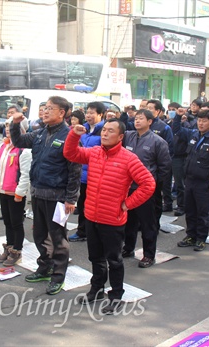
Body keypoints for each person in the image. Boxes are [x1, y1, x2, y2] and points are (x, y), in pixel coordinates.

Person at [64, 118, 155, 314]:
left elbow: (149, 184)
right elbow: (70, 153)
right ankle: (96, 289)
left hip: (112, 219)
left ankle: (116, 295)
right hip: (92, 216)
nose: (104, 134)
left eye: (110, 131)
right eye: (103, 130)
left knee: (114, 260)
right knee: (95, 257)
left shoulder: (128, 158)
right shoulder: (95, 152)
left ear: (120, 136)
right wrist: (74, 134)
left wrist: (128, 204)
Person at [10, 96, 81, 295]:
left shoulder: (69, 136)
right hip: (38, 193)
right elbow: (18, 141)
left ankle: (58, 276)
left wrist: (71, 198)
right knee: (40, 235)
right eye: (44, 108)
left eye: (50, 108)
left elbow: (75, 169)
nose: (45, 111)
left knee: (58, 238)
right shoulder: (40, 133)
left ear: (62, 113)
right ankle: (45, 267)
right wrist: (15, 125)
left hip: (58, 196)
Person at [0, 118, 32, 266]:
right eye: (7, 126)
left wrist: (19, 193)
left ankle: (17, 250)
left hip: (15, 194)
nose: (8, 130)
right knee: (8, 222)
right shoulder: (3, 146)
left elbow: (25, 175)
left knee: (16, 223)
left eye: (11, 127)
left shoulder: (24, 150)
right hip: (3, 190)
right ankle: (9, 246)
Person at [122, 109, 171, 267]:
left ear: (150, 122)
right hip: (128, 187)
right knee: (129, 221)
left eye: (141, 119)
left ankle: (149, 255)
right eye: (136, 118)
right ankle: (128, 248)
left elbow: (164, 168)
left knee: (147, 223)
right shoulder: (128, 136)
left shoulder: (158, 141)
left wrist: (155, 187)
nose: (137, 121)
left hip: (145, 189)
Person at [175, 109, 209, 251]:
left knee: (202, 212)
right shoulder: (194, 134)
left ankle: (201, 238)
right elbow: (177, 130)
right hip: (190, 179)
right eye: (199, 120)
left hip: (204, 181)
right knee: (190, 210)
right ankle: (190, 235)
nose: (201, 123)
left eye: (204, 121)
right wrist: (178, 117)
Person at [70, 102, 105, 242]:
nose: (89, 115)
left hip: (95, 175)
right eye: (87, 113)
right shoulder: (82, 129)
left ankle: (93, 231)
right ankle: (82, 231)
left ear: (100, 115)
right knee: (83, 203)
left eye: (92, 113)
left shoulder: (104, 131)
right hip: (81, 174)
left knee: (95, 205)